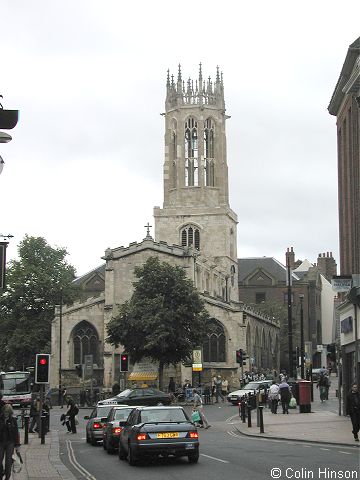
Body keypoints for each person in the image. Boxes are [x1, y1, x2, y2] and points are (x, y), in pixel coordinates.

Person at [0, 403, 21, 480]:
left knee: (8, 462)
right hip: (1, 442)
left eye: (8, 412)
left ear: (10, 413)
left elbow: (16, 433)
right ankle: (1, 473)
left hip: (10, 442)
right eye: (5, 412)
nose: (6, 414)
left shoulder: (13, 421)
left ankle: (7, 477)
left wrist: (17, 445)